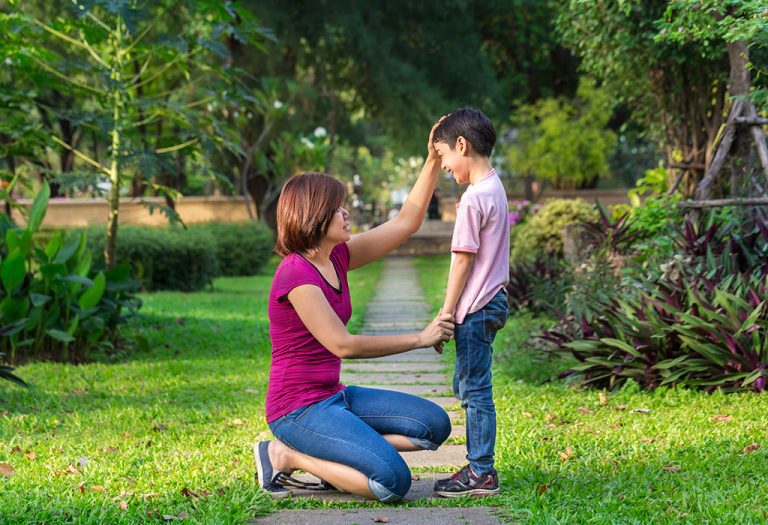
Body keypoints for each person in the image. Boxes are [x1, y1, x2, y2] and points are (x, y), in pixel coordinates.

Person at [254, 120, 455, 503]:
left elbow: (406, 222)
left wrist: (431, 158)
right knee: (392, 482)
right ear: (313, 214)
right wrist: (420, 338)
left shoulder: (337, 257)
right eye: (336, 208)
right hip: (297, 409)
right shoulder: (296, 274)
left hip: (336, 397)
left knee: (434, 425)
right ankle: (286, 455)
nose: (346, 213)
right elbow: (343, 345)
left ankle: (342, 449)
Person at [430, 107, 510, 497]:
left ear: (462, 145)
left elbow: (462, 260)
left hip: (476, 307)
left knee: (475, 390)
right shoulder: (495, 187)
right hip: (493, 300)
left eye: (443, 155)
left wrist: (446, 314)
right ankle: (479, 466)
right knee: (466, 386)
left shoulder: (474, 198)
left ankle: (481, 471)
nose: (444, 165)